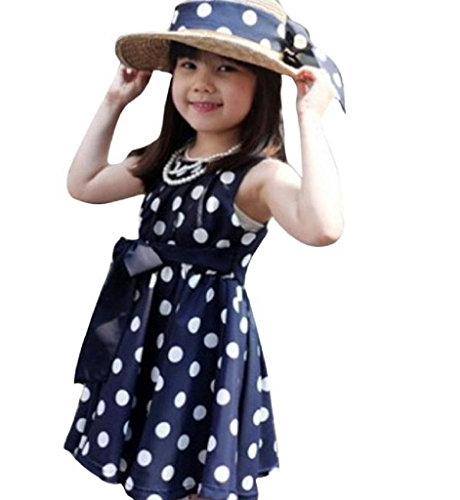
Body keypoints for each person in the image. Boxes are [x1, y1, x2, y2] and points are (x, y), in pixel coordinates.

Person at [63, 1, 345, 499]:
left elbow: (323, 227)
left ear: (262, 84)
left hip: (204, 341)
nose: (201, 83)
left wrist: (310, 119)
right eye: (189, 64)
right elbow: (84, 184)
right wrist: (114, 101)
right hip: (146, 332)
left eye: (226, 68)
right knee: (154, 463)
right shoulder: (166, 160)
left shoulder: (260, 175)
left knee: (195, 467)